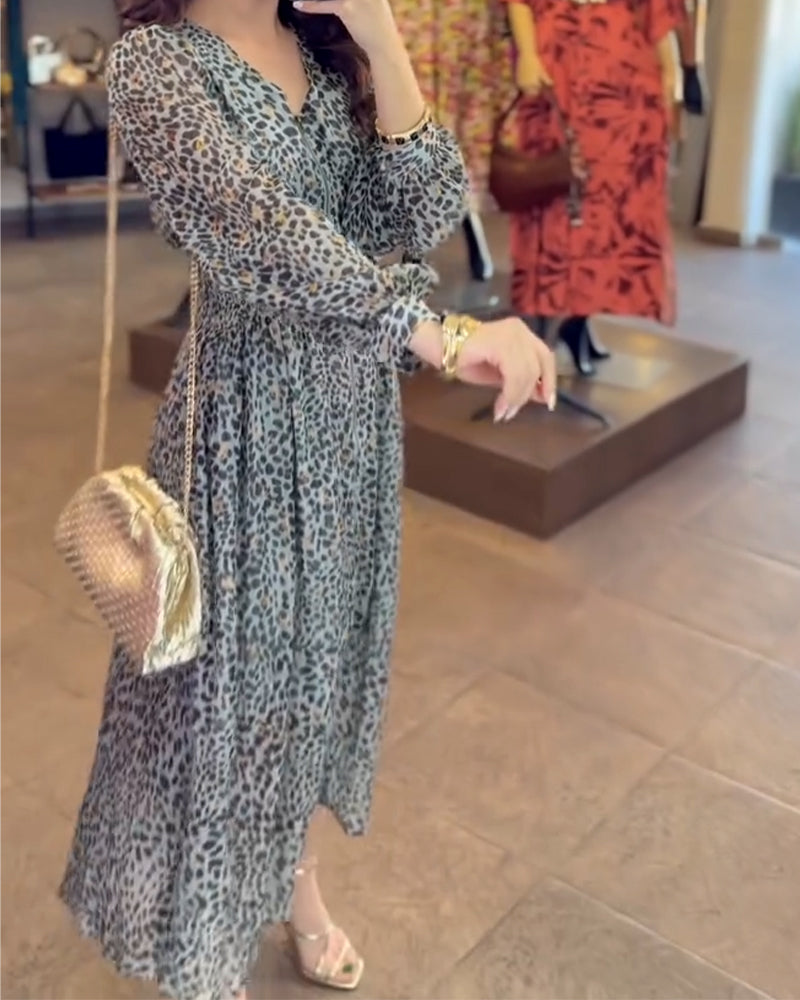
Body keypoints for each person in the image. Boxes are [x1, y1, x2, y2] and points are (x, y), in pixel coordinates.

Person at [59, 1, 557, 999]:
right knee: (224, 699)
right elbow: (260, 233)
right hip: (241, 426)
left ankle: (296, 882)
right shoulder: (158, 64)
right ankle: (200, 936)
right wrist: (441, 335)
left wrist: (378, 35)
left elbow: (422, 212)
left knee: (311, 685)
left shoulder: (325, 50)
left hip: (351, 429)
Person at [502, 0, 687, 375]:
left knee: (608, 209)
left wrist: (673, 74)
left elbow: (658, 12)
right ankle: (544, 328)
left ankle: (578, 319)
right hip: (556, 70)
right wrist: (528, 55)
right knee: (554, 196)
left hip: (624, 81)